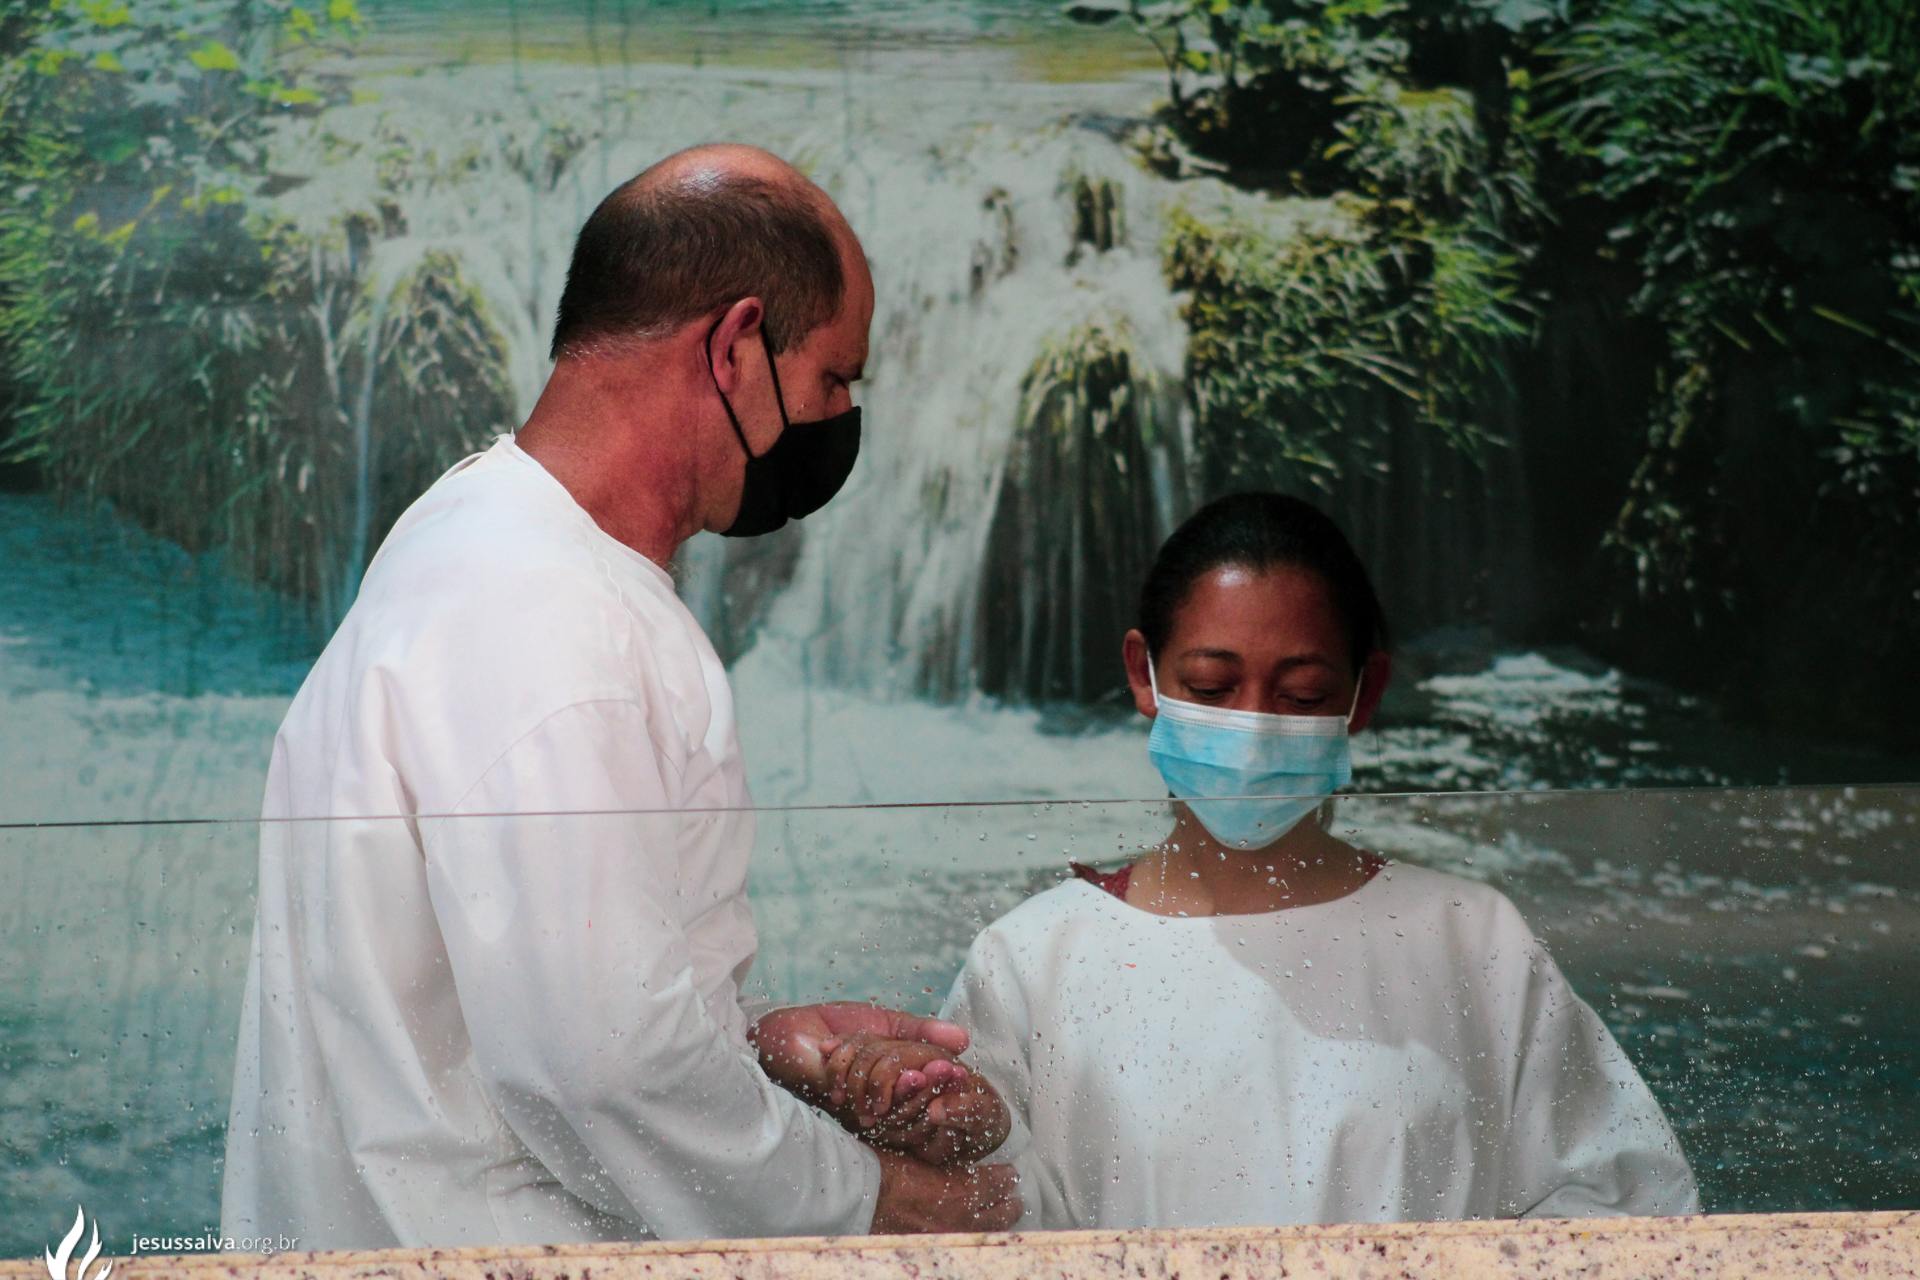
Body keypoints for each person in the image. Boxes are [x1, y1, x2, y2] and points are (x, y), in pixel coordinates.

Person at [220, 144, 1019, 1249]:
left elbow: (529, 1009)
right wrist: (876, 1200)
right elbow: (601, 1068)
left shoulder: (465, 533)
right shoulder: (555, 617)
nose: (840, 416)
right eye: (835, 379)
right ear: (735, 346)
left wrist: (751, 1046)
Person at [828, 492, 1700, 1228]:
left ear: (1364, 694)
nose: (1252, 726)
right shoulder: (1033, 960)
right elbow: (975, 1216)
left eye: (1302, 694)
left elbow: (1627, 1202)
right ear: (1144, 675)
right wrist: (926, 1121)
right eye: (1212, 687)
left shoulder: (1469, 938)